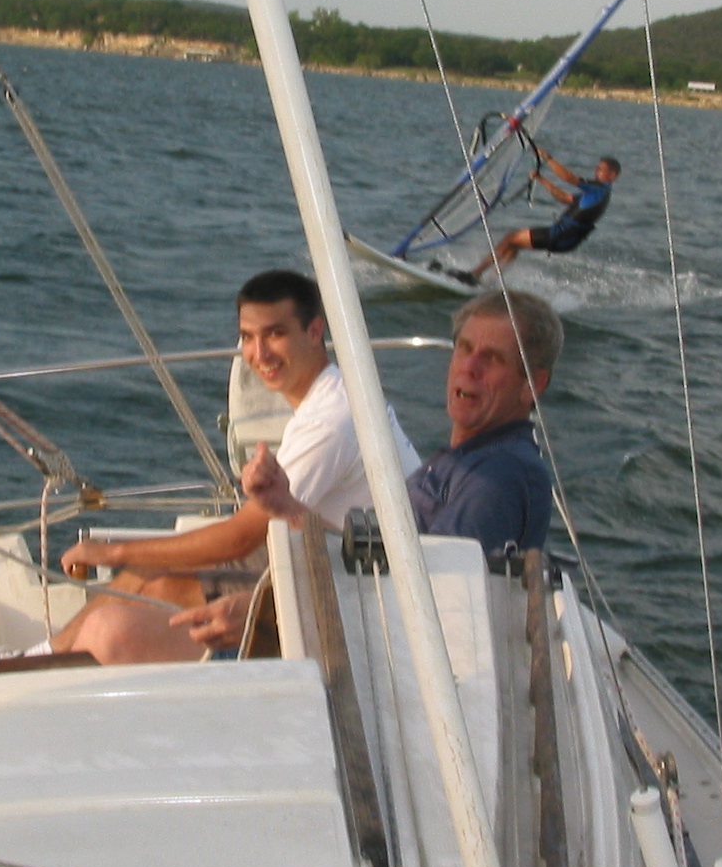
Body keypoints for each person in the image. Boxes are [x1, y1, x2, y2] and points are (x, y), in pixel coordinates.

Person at [51, 268, 417, 663]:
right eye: (248, 337)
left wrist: (112, 552)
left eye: (275, 334)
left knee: (154, 579)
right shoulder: (330, 396)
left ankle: (50, 662)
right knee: (147, 571)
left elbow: (242, 537)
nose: (259, 354)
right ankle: (43, 656)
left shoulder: (331, 420)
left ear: (314, 332)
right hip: (327, 551)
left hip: (357, 580)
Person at [247, 289, 557, 567]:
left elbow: (432, 589)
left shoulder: (495, 478)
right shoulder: (464, 458)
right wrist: (284, 505)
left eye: (492, 358)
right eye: (464, 348)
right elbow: (390, 562)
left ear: (531, 385)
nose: (469, 367)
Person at [470, 152, 619, 279]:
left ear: (612, 175)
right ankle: (490, 280)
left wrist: (548, 158)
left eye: (601, 169)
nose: (596, 171)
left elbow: (569, 178)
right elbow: (563, 197)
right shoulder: (596, 193)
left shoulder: (600, 190)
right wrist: (542, 179)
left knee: (510, 239)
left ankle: (475, 275)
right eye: (597, 169)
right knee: (514, 244)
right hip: (564, 236)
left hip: (562, 235)